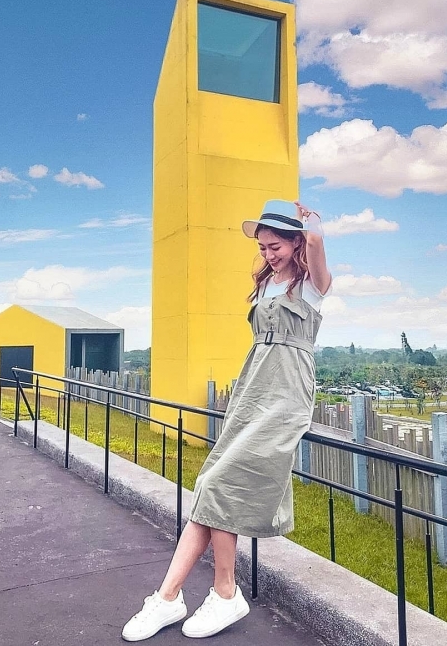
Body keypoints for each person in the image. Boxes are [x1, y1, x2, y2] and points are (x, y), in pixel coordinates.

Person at [122, 199, 331, 642]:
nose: (268, 255)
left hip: (286, 395)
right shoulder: (266, 284)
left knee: (219, 485)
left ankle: (222, 592)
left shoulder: (312, 285)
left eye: (276, 246)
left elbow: (315, 245)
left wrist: (310, 223)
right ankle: (170, 597)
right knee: (210, 485)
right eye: (263, 247)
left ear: (295, 242)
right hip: (252, 389)